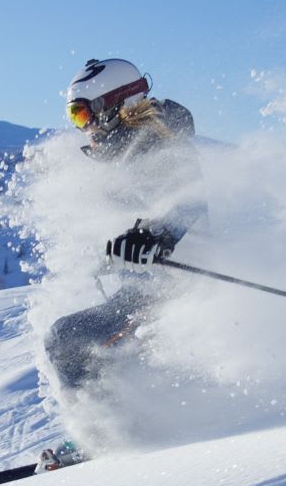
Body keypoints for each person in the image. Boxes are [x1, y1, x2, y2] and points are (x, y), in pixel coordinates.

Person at [43, 58, 207, 394]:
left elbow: (190, 201)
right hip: (142, 293)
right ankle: (116, 426)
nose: (82, 126)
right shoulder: (125, 154)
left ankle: (105, 436)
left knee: (66, 337)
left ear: (114, 105)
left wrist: (155, 235)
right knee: (86, 345)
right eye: (75, 117)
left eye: (83, 114)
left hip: (181, 294)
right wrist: (110, 252)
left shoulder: (164, 145)